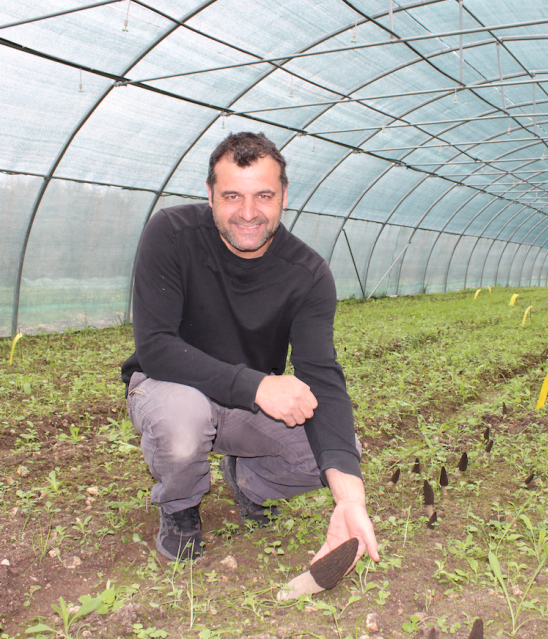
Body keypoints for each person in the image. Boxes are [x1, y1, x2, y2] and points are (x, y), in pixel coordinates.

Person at [121, 132, 378, 574]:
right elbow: (157, 346)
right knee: (184, 422)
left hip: (247, 403)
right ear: (209, 195)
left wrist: (350, 499)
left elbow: (322, 375)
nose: (247, 213)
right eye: (232, 196)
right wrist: (257, 384)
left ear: (283, 196)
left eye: (263, 195)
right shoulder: (171, 234)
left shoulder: (308, 273)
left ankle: (249, 482)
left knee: (336, 451)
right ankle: (180, 507)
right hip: (172, 386)